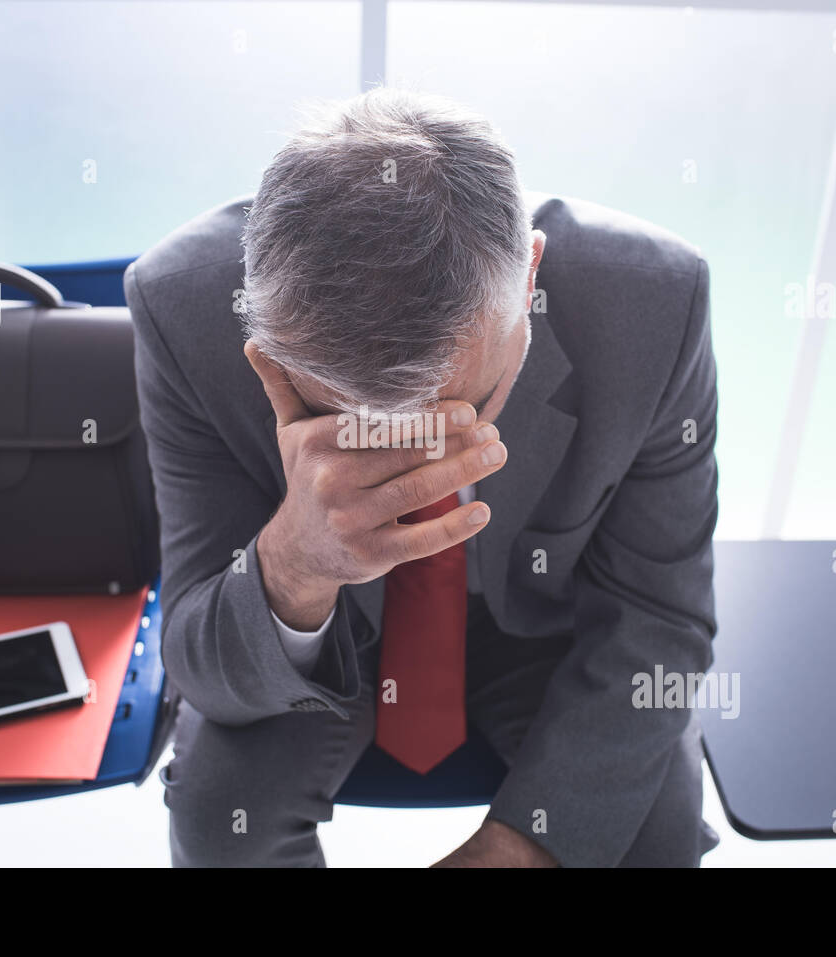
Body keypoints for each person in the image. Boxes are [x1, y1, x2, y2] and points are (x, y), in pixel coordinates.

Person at [124, 87, 721, 867]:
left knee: (653, 835)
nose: (413, 462)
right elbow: (204, 670)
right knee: (215, 822)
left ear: (529, 278)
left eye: (457, 414)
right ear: (265, 347)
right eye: (341, 423)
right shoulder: (182, 306)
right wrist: (294, 564)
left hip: (549, 634)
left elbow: (660, 620)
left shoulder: (654, 301)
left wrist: (524, 848)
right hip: (323, 640)